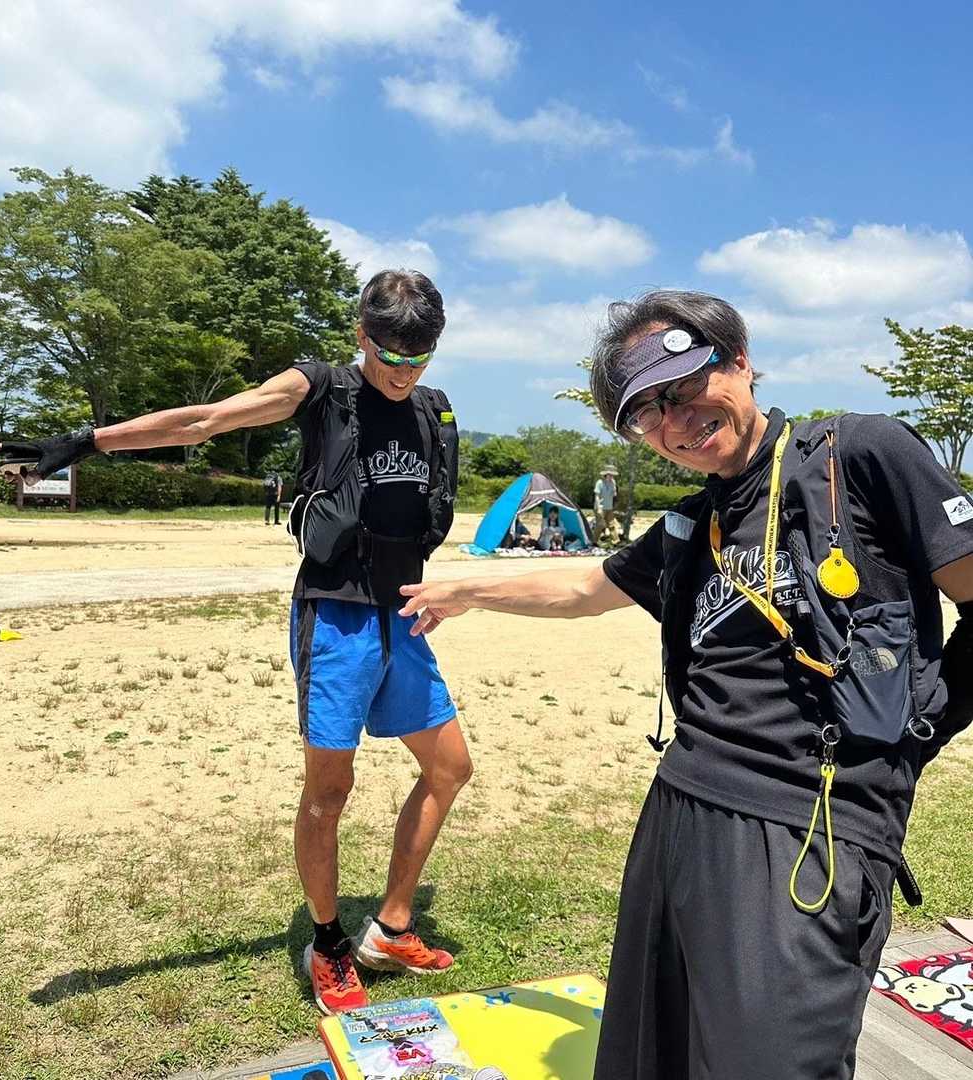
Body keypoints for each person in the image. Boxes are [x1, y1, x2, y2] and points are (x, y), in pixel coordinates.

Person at [398, 289, 973, 1079]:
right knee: (655, 1055)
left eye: (685, 385)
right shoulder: (692, 523)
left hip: (809, 826)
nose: (676, 420)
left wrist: (912, 735)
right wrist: (466, 590)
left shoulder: (858, 457)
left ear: (739, 360)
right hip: (680, 809)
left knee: (770, 1063)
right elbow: (584, 589)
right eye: (647, 411)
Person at [0, 269, 470, 1017]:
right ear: (360, 334)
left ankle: (393, 926)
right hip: (334, 615)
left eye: (418, 358)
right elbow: (205, 420)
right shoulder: (322, 388)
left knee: (449, 768)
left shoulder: (433, 410)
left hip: (402, 614)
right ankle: (329, 943)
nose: (403, 373)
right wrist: (86, 440)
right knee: (330, 792)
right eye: (389, 355)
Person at [593, 465, 618, 544]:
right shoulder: (599, 482)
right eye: (610, 474)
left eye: (612, 475)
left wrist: (614, 488)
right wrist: (599, 508)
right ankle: (594, 542)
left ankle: (616, 542)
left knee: (612, 525)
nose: (611, 476)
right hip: (600, 507)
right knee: (600, 525)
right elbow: (597, 496)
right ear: (606, 474)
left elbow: (614, 495)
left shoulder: (613, 483)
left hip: (609, 507)